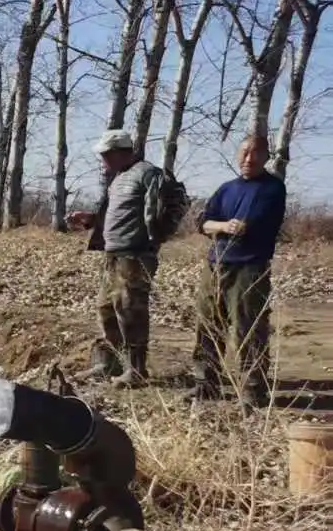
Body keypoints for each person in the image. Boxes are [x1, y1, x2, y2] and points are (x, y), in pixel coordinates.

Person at [66, 129, 182, 388]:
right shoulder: (118, 178)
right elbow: (116, 216)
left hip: (135, 255)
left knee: (131, 311)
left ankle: (136, 371)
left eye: (107, 154)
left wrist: (153, 240)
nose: (103, 160)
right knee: (106, 310)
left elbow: (164, 210)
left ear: (121, 151)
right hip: (112, 253)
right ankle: (108, 364)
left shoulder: (148, 174)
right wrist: (90, 221)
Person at [192, 135, 287, 408]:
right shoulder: (226, 188)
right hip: (216, 264)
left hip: (249, 266)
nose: (248, 159)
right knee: (208, 325)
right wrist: (221, 226)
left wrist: (227, 225)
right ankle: (206, 383)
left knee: (248, 328)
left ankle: (252, 390)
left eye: (255, 154)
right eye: (244, 153)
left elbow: (250, 223)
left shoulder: (271, 188)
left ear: (266, 157)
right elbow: (203, 222)